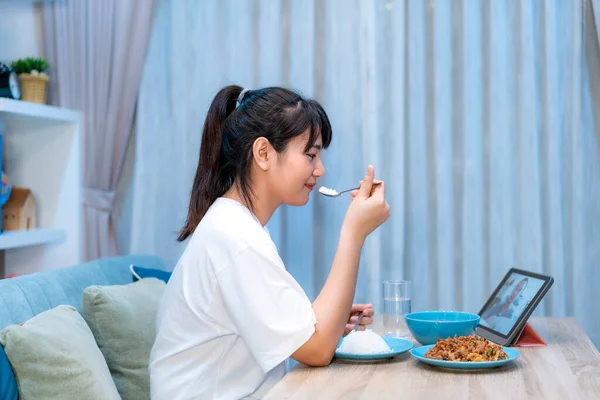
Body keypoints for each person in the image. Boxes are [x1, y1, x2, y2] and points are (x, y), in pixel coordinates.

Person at [149, 85, 390, 399]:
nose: (320, 169)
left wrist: (329, 320)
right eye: (311, 155)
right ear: (263, 153)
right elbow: (316, 350)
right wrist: (353, 233)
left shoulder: (234, 227)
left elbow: (306, 337)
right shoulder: (235, 238)